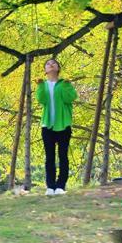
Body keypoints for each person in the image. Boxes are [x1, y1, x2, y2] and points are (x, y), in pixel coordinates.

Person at [36, 58, 78, 196]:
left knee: (63, 156)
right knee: (49, 157)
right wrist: (40, 86)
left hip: (63, 125)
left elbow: (70, 98)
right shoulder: (43, 84)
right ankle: (50, 186)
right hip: (47, 125)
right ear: (45, 70)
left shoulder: (64, 83)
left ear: (58, 68)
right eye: (48, 64)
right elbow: (41, 100)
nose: (51, 65)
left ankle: (61, 185)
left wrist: (66, 85)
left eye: (53, 63)